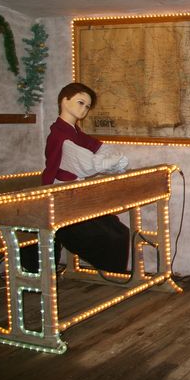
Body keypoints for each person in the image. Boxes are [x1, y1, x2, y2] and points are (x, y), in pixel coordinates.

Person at [24, 82, 131, 273]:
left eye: (87, 106)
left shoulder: (75, 133)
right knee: (109, 236)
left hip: (75, 200)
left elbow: (103, 148)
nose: (84, 110)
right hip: (60, 205)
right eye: (80, 103)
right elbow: (91, 165)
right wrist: (115, 160)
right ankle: (112, 276)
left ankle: (114, 276)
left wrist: (113, 158)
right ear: (64, 101)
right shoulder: (60, 136)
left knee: (120, 231)